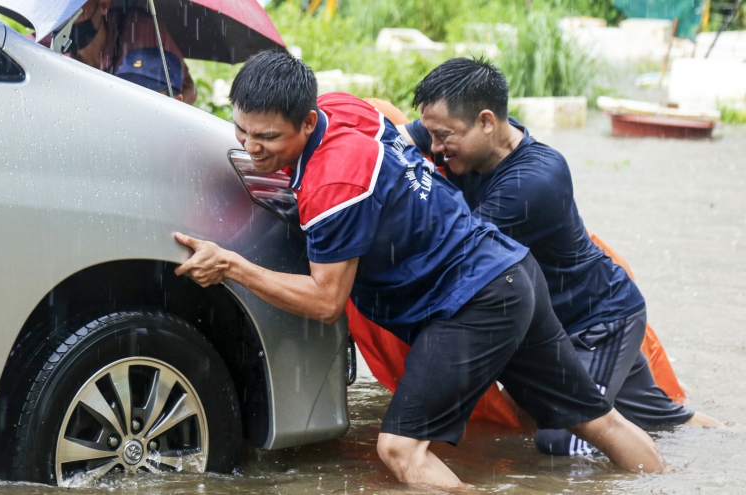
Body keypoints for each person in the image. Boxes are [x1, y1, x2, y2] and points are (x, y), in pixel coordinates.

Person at [173, 50, 666, 490]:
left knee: (400, 449)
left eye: (267, 137)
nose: (252, 146)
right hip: (514, 273)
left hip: (475, 301)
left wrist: (233, 265)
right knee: (597, 422)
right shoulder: (345, 109)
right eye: (241, 131)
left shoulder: (333, 185)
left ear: (306, 123)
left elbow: (326, 302)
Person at [399, 57, 721, 456]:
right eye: (430, 134)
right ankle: (729, 443)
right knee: (666, 421)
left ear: (486, 122)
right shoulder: (463, 132)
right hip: (562, 320)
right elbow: (390, 141)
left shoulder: (531, 182)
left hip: (596, 326)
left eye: (443, 136)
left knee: (565, 441)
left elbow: (453, 253)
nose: (434, 148)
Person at [62, 0, 197, 103]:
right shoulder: (45, 42)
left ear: (103, 4)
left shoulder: (143, 30)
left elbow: (189, 89)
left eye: (74, 12)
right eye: (60, 13)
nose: (64, 20)